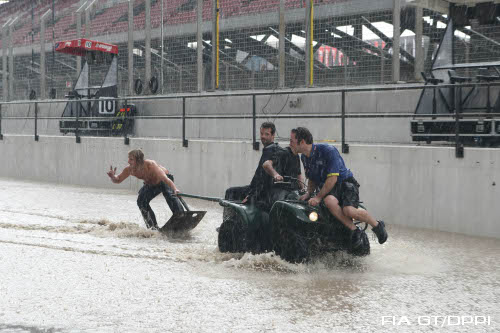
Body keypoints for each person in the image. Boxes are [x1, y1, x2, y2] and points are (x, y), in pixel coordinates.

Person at [289, 127, 388, 247]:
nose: (290, 144)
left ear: (302, 142)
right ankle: (354, 230)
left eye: (292, 141)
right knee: (329, 201)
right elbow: (312, 178)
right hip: (330, 188)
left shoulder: (328, 151)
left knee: (349, 210)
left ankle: (377, 225)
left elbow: (332, 179)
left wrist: (318, 198)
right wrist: (309, 193)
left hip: (345, 184)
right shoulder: (304, 157)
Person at [107, 149, 184, 230]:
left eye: (131, 159)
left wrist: (175, 189)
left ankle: (180, 216)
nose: (128, 161)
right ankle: (153, 228)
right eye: (128, 158)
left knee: (169, 195)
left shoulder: (150, 164)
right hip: (151, 184)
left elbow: (165, 179)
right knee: (141, 201)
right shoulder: (130, 169)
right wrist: (112, 177)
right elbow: (118, 179)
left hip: (164, 180)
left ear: (139, 160)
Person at [225, 122, 280, 208]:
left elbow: (262, 179)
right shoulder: (274, 149)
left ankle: (230, 220)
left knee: (230, 192)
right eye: (262, 133)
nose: (263, 136)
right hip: (257, 190)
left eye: (267, 134)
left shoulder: (270, 151)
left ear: (273, 135)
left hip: (259, 192)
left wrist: (250, 196)